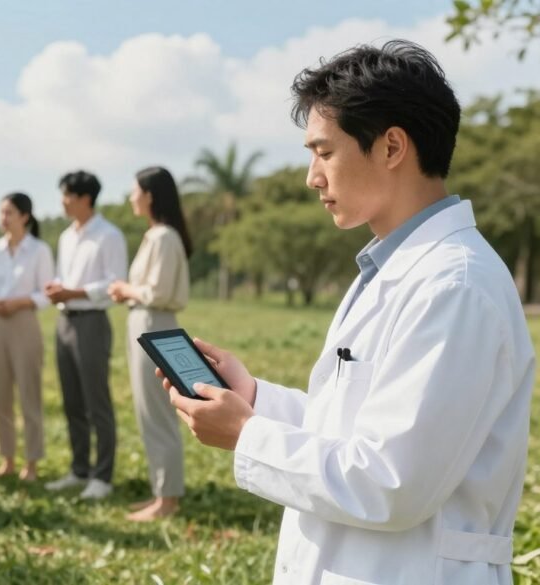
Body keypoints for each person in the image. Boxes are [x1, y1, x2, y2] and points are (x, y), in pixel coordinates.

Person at [158, 40, 535, 584]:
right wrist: (256, 400)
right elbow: (355, 430)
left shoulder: (455, 286)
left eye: (325, 152)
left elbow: (392, 482)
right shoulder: (392, 268)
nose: (312, 176)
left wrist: (248, 435)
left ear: (391, 147)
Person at [108, 166, 192, 521]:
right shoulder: (158, 235)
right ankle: (161, 494)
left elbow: (156, 292)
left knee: (157, 414)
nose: (131, 198)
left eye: (135, 191)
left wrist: (126, 290)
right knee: (149, 412)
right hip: (144, 322)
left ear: (150, 195)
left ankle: (167, 499)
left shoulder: (162, 238)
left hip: (153, 323)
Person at [44, 170, 127, 500]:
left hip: (92, 322)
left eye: (67, 195)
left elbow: (114, 284)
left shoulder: (109, 235)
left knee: (97, 402)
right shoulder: (66, 237)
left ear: (85, 198)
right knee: (72, 400)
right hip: (64, 321)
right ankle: (79, 469)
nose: (63, 201)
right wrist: (57, 289)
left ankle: (102, 476)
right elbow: (64, 277)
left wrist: (72, 292)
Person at [0, 192, 55, 481]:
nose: (4, 218)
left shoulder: (39, 250)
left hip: (25, 321)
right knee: (0, 394)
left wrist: (20, 302)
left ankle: (32, 463)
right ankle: (7, 459)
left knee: (29, 393)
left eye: (9, 212)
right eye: (1, 213)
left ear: (24, 216)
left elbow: (46, 294)